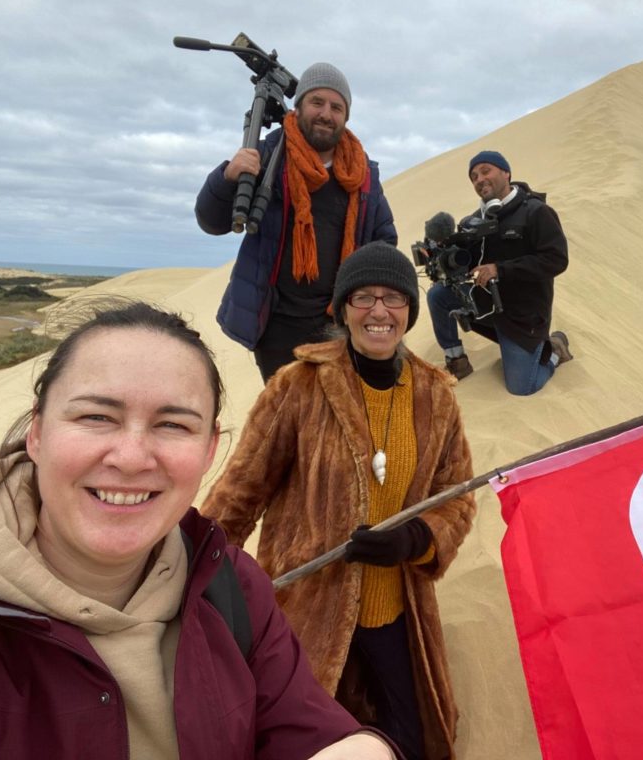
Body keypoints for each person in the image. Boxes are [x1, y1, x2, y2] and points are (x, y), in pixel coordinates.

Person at [0, 301, 401, 760]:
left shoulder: (229, 586)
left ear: (210, 451)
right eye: (96, 416)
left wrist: (365, 747)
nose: (130, 458)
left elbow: (304, 728)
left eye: (173, 425)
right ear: (37, 434)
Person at [202, 243, 476, 760]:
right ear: (342, 308)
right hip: (307, 606)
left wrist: (418, 538)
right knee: (305, 740)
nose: (379, 311)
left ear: (409, 313)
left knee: (413, 738)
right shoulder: (298, 386)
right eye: (364, 297)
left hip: (397, 606)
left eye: (394, 298)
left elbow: (456, 498)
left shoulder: (437, 394)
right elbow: (240, 491)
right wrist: (198, 572)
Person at [195, 61, 398, 383]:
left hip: (338, 321)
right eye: (317, 102)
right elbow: (211, 221)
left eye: (337, 107)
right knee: (289, 415)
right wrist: (227, 177)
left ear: (345, 117)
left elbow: (384, 239)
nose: (326, 114)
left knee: (338, 414)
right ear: (299, 106)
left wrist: (363, 295)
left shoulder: (362, 175)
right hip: (276, 323)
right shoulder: (268, 156)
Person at [426, 150, 573, 395]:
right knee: (438, 295)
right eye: (473, 177)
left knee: (522, 387)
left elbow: (556, 259)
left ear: (506, 173)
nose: (479, 179)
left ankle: (554, 350)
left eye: (486, 171)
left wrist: (500, 270)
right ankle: (457, 362)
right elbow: (468, 263)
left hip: (522, 317)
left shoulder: (535, 212)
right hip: (487, 304)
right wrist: (445, 254)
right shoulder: (473, 222)